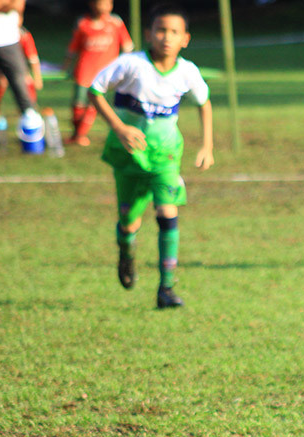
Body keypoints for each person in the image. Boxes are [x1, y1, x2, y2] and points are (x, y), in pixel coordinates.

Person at [88, 4, 213, 309]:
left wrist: (207, 145)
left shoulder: (187, 72)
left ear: (185, 38)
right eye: (160, 30)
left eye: (174, 32)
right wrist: (119, 127)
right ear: (148, 34)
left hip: (166, 156)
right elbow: (94, 90)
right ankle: (126, 249)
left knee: (167, 213)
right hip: (128, 156)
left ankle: (166, 289)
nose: (166, 37)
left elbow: (204, 103)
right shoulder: (131, 64)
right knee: (129, 223)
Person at [63, 0, 133, 146]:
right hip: (84, 71)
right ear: (92, 4)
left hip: (105, 75)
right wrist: (66, 66)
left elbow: (127, 46)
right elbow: (73, 48)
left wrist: (126, 67)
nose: (104, 6)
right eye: (101, 3)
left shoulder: (116, 23)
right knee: (78, 104)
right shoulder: (83, 23)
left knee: (93, 105)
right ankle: (76, 134)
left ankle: (80, 136)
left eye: (108, 3)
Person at [0, 0, 37, 125]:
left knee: (20, 85)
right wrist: (8, 5)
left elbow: (18, 4)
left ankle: (30, 125)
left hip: (10, 43)